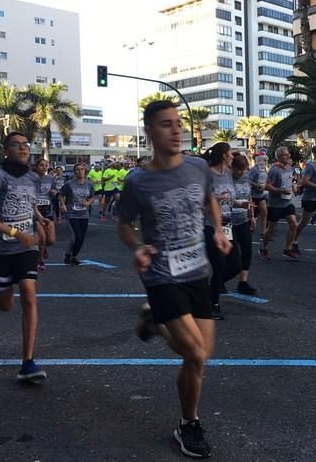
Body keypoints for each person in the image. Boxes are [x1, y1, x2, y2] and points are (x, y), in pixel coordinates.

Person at [116, 100, 231, 459]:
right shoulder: (138, 181)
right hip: (162, 275)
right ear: (150, 132)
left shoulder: (197, 167)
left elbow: (209, 199)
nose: (177, 130)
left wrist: (218, 230)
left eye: (178, 123)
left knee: (200, 357)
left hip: (198, 272)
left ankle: (153, 321)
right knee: (195, 353)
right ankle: (189, 424)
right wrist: (136, 246)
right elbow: (123, 224)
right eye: (167, 125)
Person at [0, 131, 51, 382]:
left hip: (25, 247)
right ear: (6, 150)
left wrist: (41, 219)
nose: (23, 149)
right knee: (6, 304)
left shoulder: (32, 177)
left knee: (29, 297)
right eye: (16, 145)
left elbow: (29, 203)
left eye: (26, 145)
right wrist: (13, 232)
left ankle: (27, 362)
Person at [203, 143, 241, 320]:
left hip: (226, 226)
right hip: (209, 226)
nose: (233, 156)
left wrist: (241, 204)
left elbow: (230, 198)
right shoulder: (207, 174)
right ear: (224, 156)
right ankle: (213, 304)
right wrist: (216, 199)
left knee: (235, 266)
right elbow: (200, 202)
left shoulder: (227, 174)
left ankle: (208, 290)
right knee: (220, 266)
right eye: (231, 154)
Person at [260, 146, 299, 261]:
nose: (289, 156)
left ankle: (287, 249)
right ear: (279, 157)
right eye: (286, 155)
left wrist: (294, 187)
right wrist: (281, 191)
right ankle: (263, 248)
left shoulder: (290, 168)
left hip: (287, 202)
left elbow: (292, 181)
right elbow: (267, 186)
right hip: (275, 204)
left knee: (293, 224)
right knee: (272, 228)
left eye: (288, 154)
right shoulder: (274, 170)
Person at [230, 153, 257, 295]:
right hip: (228, 220)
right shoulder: (226, 179)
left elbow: (249, 197)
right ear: (232, 167)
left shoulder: (246, 178)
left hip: (243, 219)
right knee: (232, 254)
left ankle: (243, 282)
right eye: (238, 169)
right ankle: (219, 280)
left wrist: (251, 216)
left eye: (244, 169)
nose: (241, 172)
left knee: (247, 250)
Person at [59, 163, 95, 265]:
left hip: (84, 214)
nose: (80, 171)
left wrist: (88, 203)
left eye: (82, 169)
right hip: (72, 213)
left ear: (85, 171)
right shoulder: (69, 184)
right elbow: (61, 195)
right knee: (76, 237)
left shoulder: (89, 184)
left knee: (81, 238)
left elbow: (92, 197)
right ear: (74, 172)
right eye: (78, 170)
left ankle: (72, 256)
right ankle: (68, 254)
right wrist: (62, 205)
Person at [33, 159, 57, 271]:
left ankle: (43, 249)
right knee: (42, 238)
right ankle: (40, 260)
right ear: (37, 166)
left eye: (46, 165)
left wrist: (54, 192)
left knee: (50, 240)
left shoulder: (51, 179)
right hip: (35, 211)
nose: (44, 167)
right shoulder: (31, 178)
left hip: (48, 210)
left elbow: (54, 190)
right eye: (41, 165)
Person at [248, 153, 269, 239]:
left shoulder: (264, 170)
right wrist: (257, 185)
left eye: (266, 160)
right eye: (264, 160)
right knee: (252, 214)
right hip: (253, 195)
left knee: (264, 212)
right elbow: (248, 180)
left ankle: (264, 232)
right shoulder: (254, 170)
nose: (265, 162)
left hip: (261, 195)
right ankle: (250, 227)